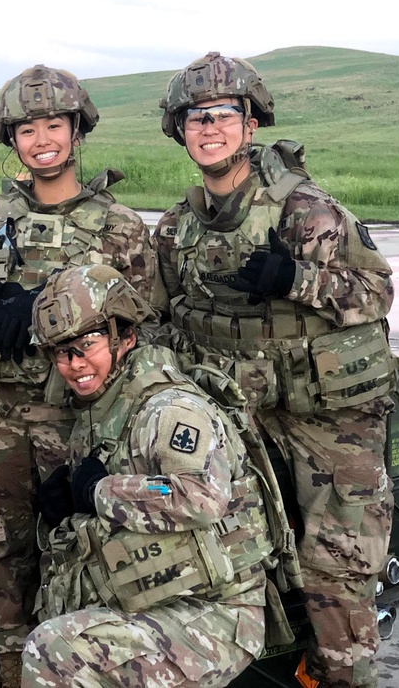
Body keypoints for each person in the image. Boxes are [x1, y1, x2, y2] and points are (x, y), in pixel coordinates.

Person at [153, 52, 399, 688]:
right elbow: (161, 315)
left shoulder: (307, 211)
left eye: (223, 115)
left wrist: (298, 278)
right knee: (236, 553)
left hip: (326, 417)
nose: (209, 128)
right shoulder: (180, 225)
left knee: (337, 564)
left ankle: (345, 675)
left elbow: (376, 294)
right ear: (180, 130)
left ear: (250, 123)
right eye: (195, 118)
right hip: (237, 412)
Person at [0, 65, 164, 686]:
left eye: (54, 125)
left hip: (80, 416)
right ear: (12, 140)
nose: (41, 139)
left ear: (76, 131)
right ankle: (9, 664)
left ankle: (71, 666)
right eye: (26, 129)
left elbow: (147, 331)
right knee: (0, 546)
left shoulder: (120, 229)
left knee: (81, 537)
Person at [23, 264, 271, 687]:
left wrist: (99, 492)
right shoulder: (102, 408)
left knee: (54, 652)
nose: (73, 364)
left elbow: (199, 495)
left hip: (215, 615)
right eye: (60, 352)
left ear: (126, 337)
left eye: (86, 344)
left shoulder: (170, 409)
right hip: (153, 600)